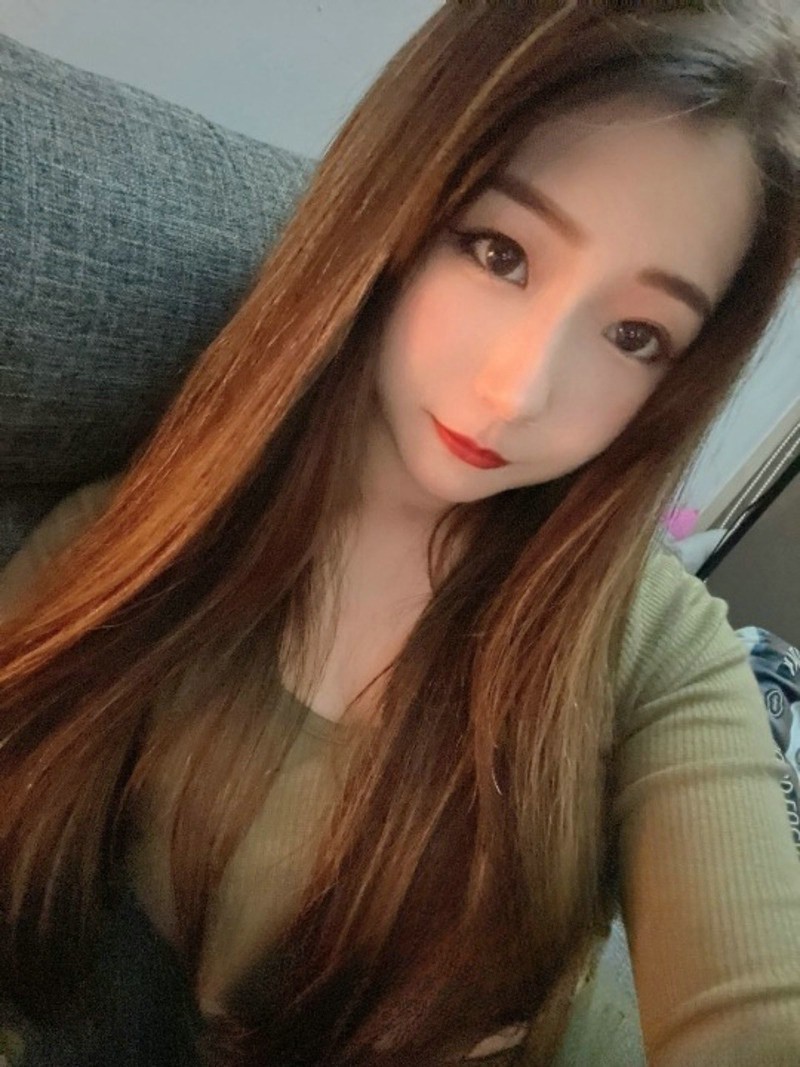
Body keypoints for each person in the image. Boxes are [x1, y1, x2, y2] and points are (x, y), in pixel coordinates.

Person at [1, 2, 799, 1064]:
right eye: (499, 252)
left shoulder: (652, 647)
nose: (518, 390)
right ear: (396, 209)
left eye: (633, 334)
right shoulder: (126, 547)